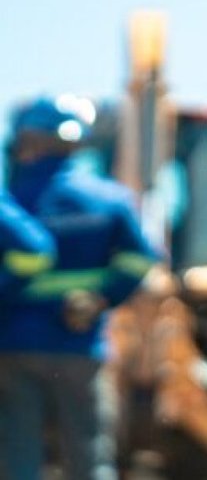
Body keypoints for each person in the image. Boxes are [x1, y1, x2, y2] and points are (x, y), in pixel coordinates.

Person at [0, 95, 161, 480]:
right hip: (80, 343)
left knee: (20, 452)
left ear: (29, 140)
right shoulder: (109, 199)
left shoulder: (12, 201)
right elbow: (142, 257)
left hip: (15, 345)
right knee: (88, 452)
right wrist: (103, 298)